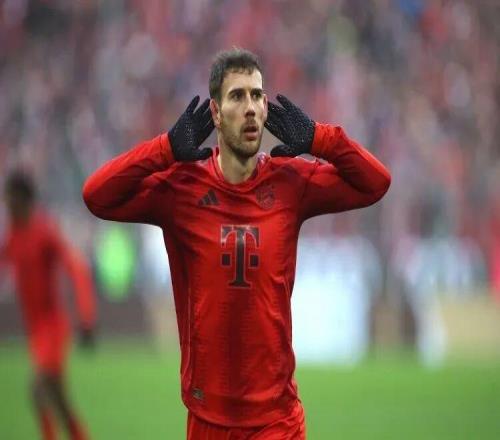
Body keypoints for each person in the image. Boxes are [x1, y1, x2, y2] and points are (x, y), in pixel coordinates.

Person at [83, 48, 391, 439]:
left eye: (257, 95)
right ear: (215, 112)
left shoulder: (291, 182)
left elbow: (376, 183)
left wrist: (320, 138)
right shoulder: (180, 189)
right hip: (207, 417)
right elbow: (97, 195)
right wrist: (164, 149)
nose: (250, 108)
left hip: (277, 421)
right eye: (237, 96)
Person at [1, 170, 96, 440]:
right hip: (35, 331)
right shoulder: (13, 235)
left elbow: (76, 269)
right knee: (59, 401)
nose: (6, 204)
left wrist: (86, 315)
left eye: (9, 198)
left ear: (23, 199)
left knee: (37, 390)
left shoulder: (44, 231)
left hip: (52, 328)